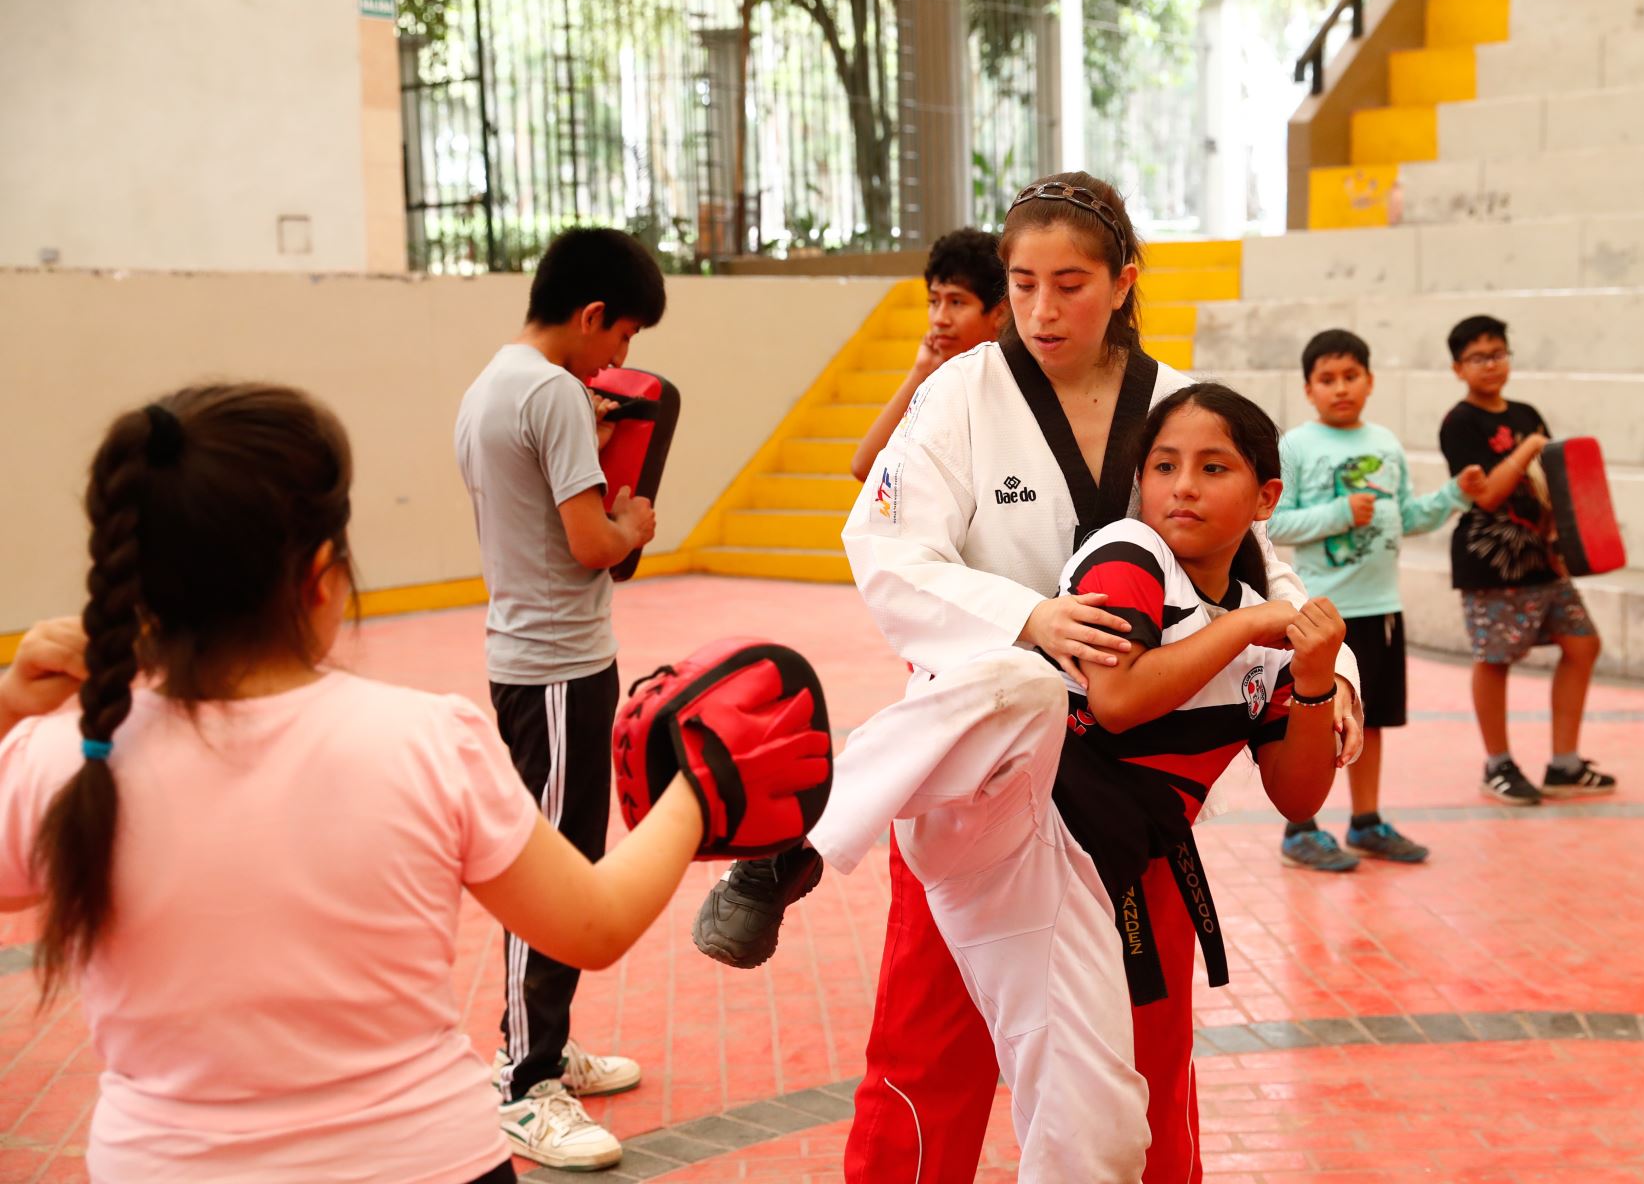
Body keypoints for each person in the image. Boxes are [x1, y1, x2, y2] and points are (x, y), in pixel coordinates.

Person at [693, 172, 1363, 1184]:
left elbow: (1261, 561)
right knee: (927, 1059)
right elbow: (884, 550)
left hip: (1129, 800)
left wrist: (1334, 674)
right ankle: (808, 834)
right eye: (1025, 284)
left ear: (1124, 282)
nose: (1045, 312)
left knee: (1141, 1070)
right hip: (975, 776)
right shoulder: (959, 397)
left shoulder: (1180, 405)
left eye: (1073, 285)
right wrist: (1030, 618)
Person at [0, 385, 707, 1183]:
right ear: (321, 576)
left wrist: (4, 708)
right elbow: (593, 925)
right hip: (427, 1163)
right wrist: (701, 780)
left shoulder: (63, 757)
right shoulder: (426, 740)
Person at [1052, 383, 1346, 1172]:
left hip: (1141, 862)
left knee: (1150, 1077)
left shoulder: (1268, 640)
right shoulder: (1129, 554)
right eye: (1164, 465)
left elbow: (1299, 796)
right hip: (1040, 854)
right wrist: (1249, 624)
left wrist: (1314, 680)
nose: (1181, 486)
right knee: (1080, 1093)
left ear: (1265, 497)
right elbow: (1115, 700)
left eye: (1213, 468)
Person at [453, 226, 662, 1168]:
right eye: (620, 339)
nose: (621, 360)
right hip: (558, 670)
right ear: (589, 317)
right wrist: (635, 521)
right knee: (558, 872)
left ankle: (543, 1043)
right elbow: (588, 544)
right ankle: (524, 1080)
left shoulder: (495, 384)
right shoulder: (554, 395)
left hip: (528, 661)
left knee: (558, 861)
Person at [1266, 329, 1485, 870]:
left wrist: (1456, 494)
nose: (1340, 388)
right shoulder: (1295, 446)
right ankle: (1302, 827)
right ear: (1308, 389)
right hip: (1322, 614)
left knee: (1376, 717)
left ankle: (1366, 821)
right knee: (1317, 718)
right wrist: (1340, 514)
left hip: (1381, 606)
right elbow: (1274, 522)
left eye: (1351, 376)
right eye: (1327, 379)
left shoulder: (1386, 444)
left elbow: (1406, 516)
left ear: (1369, 382)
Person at [1439, 315, 1617, 805]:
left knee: (1583, 644)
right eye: (1478, 357)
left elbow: (1552, 482)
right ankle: (1498, 765)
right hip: (1490, 560)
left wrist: (1567, 536)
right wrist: (1528, 448)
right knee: (1495, 659)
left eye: (1498, 353)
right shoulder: (1460, 422)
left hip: (1542, 556)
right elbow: (1489, 496)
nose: (1491, 364)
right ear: (1458, 368)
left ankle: (1564, 765)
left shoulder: (1526, 411)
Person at [849, 227, 1009, 483]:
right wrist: (922, 370)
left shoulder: (1013, 381)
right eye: (934, 302)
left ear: (999, 313)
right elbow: (865, 466)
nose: (940, 319)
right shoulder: (941, 381)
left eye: (956, 302)